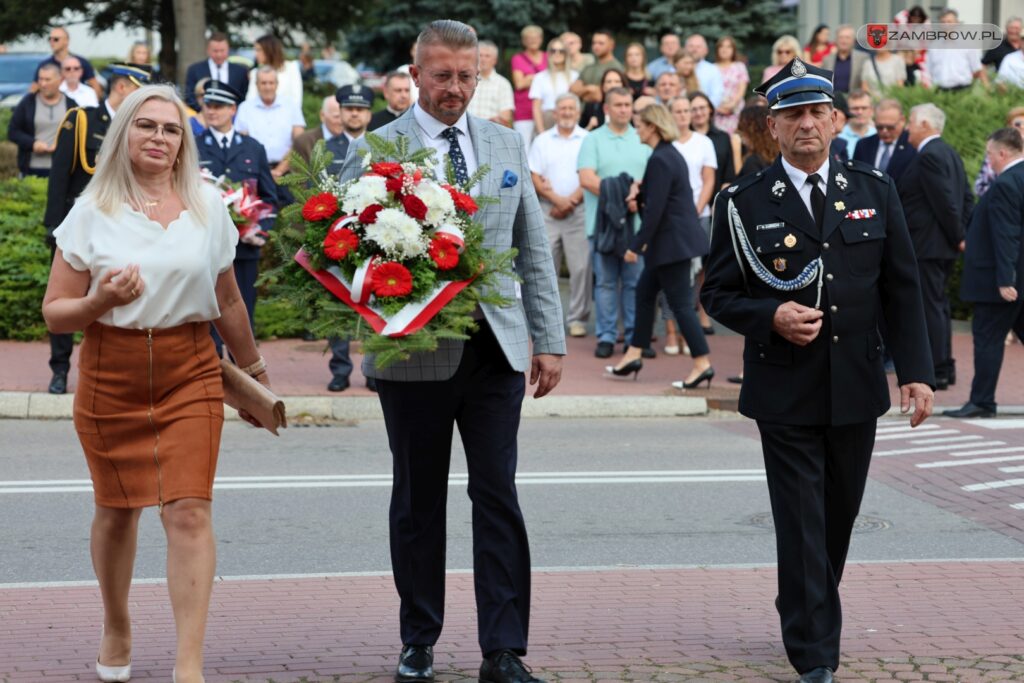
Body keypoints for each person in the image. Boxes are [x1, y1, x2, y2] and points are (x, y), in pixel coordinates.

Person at [338, 20, 565, 683]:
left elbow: (532, 248)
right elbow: (346, 247)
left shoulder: (504, 142)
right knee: (417, 500)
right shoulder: (382, 144)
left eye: (467, 76)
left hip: (496, 351)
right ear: (415, 73)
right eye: (442, 75)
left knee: (498, 495)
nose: (455, 88)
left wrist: (547, 339)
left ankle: (503, 649)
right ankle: (419, 637)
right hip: (412, 355)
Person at [701, 58, 934, 683]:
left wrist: (917, 371)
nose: (806, 124)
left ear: (835, 120)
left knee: (837, 516)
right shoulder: (743, 201)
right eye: (791, 115)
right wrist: (769, 315)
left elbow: (902, 289)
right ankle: (814, 652)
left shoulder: (872, 190)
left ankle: (804, 602)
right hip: (783, 384)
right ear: (771, 127)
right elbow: (717, 292)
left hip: (856, 383)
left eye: (815, 113)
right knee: (801, 519)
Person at [41, 83, 270, 683]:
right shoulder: (92, 210)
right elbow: (56, 311)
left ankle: (187, 663)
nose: (160, 139)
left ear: (183, 143)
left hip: (190, 367)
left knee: (189, 511)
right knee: (117, 511)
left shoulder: (207, 205)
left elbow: (228, 300)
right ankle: (116, 624)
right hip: (109, 374)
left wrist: (254, 376)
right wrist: (99, 300)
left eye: (172, 130)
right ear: (124, 135)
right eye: (147, 127)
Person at [42, 63, 150, 396]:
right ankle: (59, 370)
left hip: (120, 228)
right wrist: (54, 225)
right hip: (78, 225)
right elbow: (60, 175)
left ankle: (109, 367)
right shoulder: (83, 120)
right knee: (67, 299)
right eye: (137, 91)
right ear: (122, 88)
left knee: (112, 300)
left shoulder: (137, 128)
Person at [606, 103, 713, 387]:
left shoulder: (661, 159)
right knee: (644, 293)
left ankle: (702, 362)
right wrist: (641, 193)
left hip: (672, 245)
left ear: (652, 127)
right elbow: (660, 199)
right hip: (669, 244)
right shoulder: (666, 155)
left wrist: (635, 245)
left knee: (679, 304)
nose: (636, 129)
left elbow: (657, 211)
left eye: (639, 125)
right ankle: (633, 353)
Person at [293, 85, 373, 392]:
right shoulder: (323, 147)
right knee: (336, 305)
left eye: (360, 109)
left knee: (373, 304)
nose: (354, 113)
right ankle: (340, 370)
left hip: (372, 238)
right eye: (349, 108)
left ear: (368, 113)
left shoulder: (381, 143)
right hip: (333, 238)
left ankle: (373, 371)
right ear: (339, 112)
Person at [944, 127, 1024, 418]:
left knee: (987, 340)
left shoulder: (1006, 183)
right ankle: (982, 399)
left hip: (1001, 282)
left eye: (990, 154)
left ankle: (982, 401)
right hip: (1017, 278)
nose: (988, 160)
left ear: (1002, 153)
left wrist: (1005, 279)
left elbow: (1007, 234)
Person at [197, 81, 279, 356]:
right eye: (208, 105)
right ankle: (209, 379)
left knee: (242, 318)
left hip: (243, 249)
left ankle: (246, 380)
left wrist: (260, 230)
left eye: (218, 106)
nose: (212, 111)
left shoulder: (253, 148)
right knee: (205, 319)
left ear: (233, 109)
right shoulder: (192, 146)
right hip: (202, 249)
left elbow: (269, 198)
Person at [897, 103, 972, 390]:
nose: (907, 129)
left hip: (929, 245)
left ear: (926, 124)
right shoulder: (949, 152)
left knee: (931, 307)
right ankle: (945, 367)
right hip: (940, 245)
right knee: (938, 306)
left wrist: (958, 235)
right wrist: (960, 233)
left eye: (912, 123)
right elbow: (966, 197)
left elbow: (945, 201)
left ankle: (939, 368)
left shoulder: (929, 155)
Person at [578, 86, 651, 359]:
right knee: (606, 283)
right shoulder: (592, 139)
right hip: (602, 225)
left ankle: (634, 338)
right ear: (607, 109)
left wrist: (637, 194)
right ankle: (606, 336)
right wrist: (623, 195)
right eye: (618, 105)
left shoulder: (642, 137)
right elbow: (586, 178)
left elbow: (652, 177)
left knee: (635, 283)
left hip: (636, 225)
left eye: (627, 104)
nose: (624, 109)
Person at [529, 93, 590, 338]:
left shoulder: (588, 139)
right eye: (562, 108)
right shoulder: (542, 140)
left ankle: (578, 320)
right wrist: (557, 201)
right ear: (554, 113)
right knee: (545, 268)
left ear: (578, 113)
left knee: (581, 268)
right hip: (547, 210)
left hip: (579, 210)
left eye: (570, 109)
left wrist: (570, 201)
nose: (566, 112)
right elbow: (533, 175)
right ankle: (547, 321)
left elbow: (591, 174)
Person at [668, 96, 717, 335]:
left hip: (700, 213)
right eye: (678, 110)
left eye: (686, 110)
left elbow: (708, 179)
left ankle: (701, 314)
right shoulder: (667, 143)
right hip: (673, 218)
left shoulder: (704, 142)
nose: (683, 114)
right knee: (674, 270)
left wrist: (696, 208)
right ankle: (673, 326)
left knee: (701, 269)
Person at [235, 66, 306, 177]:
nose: (267, 87)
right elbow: (241, 143)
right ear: (256, 85)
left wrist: (280, 170)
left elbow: (300, 142)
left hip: (287, 173)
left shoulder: (291, 106)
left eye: (271, 83)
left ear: (277, 84)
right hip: (254, 172)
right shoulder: (245, 108)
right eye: (263, 83)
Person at [8, 63, 74, 179]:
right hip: (31, 168)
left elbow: (78, 135)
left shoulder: (71, 105)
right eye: (40, 79)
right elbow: (13, 132)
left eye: (47, 80)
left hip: (61, 169)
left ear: (60, 80)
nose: (43, 84)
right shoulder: (28, 103)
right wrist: (33, 143)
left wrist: (61, 144)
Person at [852, 99, 915, 183]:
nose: (884, 131)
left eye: (890, 127)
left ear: (902, 121)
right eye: (879, 127)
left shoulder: (913, 145)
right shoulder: (863, 145)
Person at [185, 32, 249, 111]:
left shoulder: (240, 71)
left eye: (222, 50)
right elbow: (190, 97)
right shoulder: (195, 70)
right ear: (208, 50)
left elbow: (243, 97)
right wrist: (206, 113)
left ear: (228, 49)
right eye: (215, 51)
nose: (219, 55)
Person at [926, 9, 988, 91]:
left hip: (962, 90)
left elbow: (978, 69)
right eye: (943, 22)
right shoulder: (934, 46)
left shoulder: (968, 44)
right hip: (939, 91)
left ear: (957, 23)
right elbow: (928, 70)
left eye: (949, 22)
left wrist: (987, 89)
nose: (946, 25)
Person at [36, 26, 102, 99]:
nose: (51, 42)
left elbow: (95, 86)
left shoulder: (81, 62)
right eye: (49, 39)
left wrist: (95, 107)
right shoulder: (44, 65)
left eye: (56, 39)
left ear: (66, 41)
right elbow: (34, 89)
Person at [688, 91, 735, 190]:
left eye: (702, 108)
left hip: (718, 197)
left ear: (710, 109)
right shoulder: (682, 140)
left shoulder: (723, 137)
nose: (699, 113)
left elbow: (729, 175)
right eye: (694, 109)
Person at [529, 38, 577, 134]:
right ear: (548, 53)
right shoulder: (540, 77)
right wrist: (541, 132)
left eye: (561, 51)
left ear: (566, 53)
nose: (557, 53)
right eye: (553, 50)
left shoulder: (575, 76)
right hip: (546, 120)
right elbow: (536, 108)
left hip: (569, 120)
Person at [511, 25, 547, 144]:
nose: (533, 41)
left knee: (544, 145)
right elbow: (519, 84)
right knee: (524, 147)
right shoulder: (518, 58)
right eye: (529, 38)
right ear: (524, 41)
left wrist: (530, 78)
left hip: (545, 110)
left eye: (536, 38)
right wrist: (541, 77)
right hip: (524, 110)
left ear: (541, 39)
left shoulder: (548, 57)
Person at [245, 34, 303, 107]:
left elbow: (297, 100)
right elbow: (250, 101)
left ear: (269, 50)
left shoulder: (291, 68)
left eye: (258, 50)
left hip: (287, 116)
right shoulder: (255, 73)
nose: (256, 54)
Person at [570, 30, 624, 107]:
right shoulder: (589, 67)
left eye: (601, 43)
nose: (596, 46)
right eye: (594, 43)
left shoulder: (616, 68)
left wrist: (582, 93)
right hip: (584, 115)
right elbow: (573, 90)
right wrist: (589, 88)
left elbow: (598, 97)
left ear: (611, 45)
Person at [467, 40, 514, 127]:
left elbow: (505, 117)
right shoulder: (467, 80)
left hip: (491, 130)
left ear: (495, 60)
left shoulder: (503, 84)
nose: (483, 59)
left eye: (487, 56)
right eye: (480, 55)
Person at [713, 36, 749, 134]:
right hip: (715, 112)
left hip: (735, 111)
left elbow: (742, 88)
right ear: (717, 49)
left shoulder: (739, 66)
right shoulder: (711, 68)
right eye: (722, 46)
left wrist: (731, 105)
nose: (725, 49)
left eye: (728, 47)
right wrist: (717, 108)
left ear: (733, 50)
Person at [821, 25, 867, 94]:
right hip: (832, 100)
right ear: (836, 40)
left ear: (853, 40)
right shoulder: (827, 59)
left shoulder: (863, 58)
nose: (844, 41)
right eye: (841, 37)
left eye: (847, 38)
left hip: (854, 101)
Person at [685, 34, 724, 107]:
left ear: (705, 50)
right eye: (691, 46)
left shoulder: (713, 70)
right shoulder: (675, 68)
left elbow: (717, 94)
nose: (694, 50)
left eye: (698, 47)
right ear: (685, 48)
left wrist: (705, 109)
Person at [836, 90, 875, 160]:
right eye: (855, 108)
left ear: (871, 110)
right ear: (847, 111)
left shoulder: (878, 135)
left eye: (864, 108)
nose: (860, 112)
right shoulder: (838, 135)